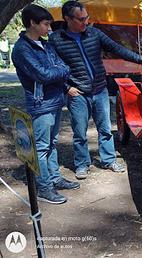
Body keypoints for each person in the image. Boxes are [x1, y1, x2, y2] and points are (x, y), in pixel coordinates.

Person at [49, 1, 142, 179]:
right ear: (67, 19)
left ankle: (108, 160)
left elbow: (117, 48)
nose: (86, 22)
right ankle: (82, 164)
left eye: (87, 18)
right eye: (81, 19)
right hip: (77, 93)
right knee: (79, 132)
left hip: (99, 89)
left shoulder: (94, 33)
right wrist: (66, 88)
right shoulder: (56, 40)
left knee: (105, 129)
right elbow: (52, 67)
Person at [12, 4, 80, 204]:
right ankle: (44, 188)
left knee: (52, 143)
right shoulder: (22, 49)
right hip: (41, 104)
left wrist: (58, 71)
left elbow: (58, 68)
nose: (49, 28)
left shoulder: (46, 44)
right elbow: (44, 74)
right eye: (45, 23)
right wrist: (61, 71)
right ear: (32, 23)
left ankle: (55, 178)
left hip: (55, 100)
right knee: (42, 148)